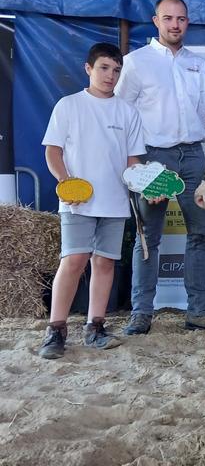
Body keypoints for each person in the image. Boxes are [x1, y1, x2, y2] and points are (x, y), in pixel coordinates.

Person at [114, 0, 205, 335]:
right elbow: (119, 115)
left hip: (194, 155)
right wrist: (139, 170)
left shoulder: (199, 65)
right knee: (148, 236)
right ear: (155, 21)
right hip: (153, 157)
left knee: (202, 232)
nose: (175, 25)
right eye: (168, 18)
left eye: (181, 19)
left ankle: (198, 311)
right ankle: (141, 313)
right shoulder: (135, 63)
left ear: (187, 22)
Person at [38, 42, 145, 359]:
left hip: (114, 201)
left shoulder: (128, 112)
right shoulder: (68, 106)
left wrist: (148, 186)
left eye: (116, 70)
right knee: (73, 261)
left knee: (105, 263)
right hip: (77, 203)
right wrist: (67, 184)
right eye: (104, 68)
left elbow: (133, 161)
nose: (110, 75)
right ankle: (55, 330)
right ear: (88, 68)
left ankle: (95, 327)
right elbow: (52, 151)